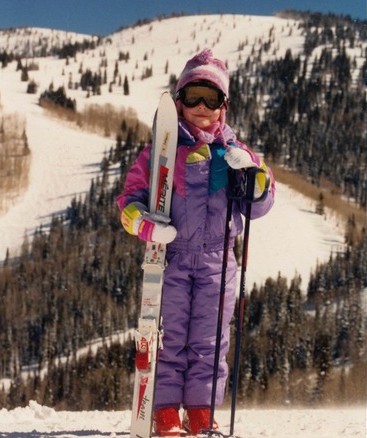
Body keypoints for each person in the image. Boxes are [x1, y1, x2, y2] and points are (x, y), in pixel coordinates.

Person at [117, 49, 275, 436]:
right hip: (171, 258)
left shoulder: (235, 154)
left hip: (218, 262)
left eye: (212, 98)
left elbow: (259, 205)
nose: (202, 107)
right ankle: (166, 410)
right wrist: (143, 224)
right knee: (170, 337)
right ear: (179, 101)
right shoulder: (160, 152)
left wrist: (259, 182)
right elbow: (130, 199)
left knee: (209, 339)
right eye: (193, 97)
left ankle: (201, 410)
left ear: (224, 106)